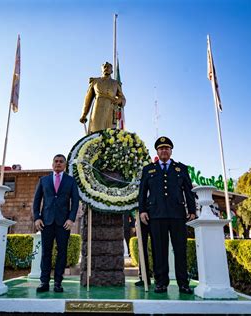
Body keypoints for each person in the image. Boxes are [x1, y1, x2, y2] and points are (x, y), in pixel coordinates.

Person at [138, 136, 196, 294]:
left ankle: (183, 283)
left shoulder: (181, 168)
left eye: (167, 148)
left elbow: (189, 191)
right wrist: (142, 210)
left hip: (177, 215)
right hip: (155, 215)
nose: (164, 151)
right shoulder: (148, 169)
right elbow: (142, 193)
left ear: (171, 151)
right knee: (159, 250)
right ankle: (161, 283)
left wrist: (192, 211)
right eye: (161, 148)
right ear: (157, 151)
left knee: (180, 249)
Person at [33, 154, 80, 293]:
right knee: (46, 253)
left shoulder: (71, 181)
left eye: (61, 162)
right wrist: (37, 217)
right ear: (52, 164)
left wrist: (71, 219)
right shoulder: (44, 180)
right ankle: (44, 282)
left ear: (65, 165)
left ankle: (58, 282)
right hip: (46, 222)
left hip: (63, 223)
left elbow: (75, 202)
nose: (58, 163)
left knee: (62, 253)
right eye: (56, 161)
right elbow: (36, 201)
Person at [80, 62, 126, 134]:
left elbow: (123, 99)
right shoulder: (95, 81)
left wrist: (119, 100)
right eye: (104, 67)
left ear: (112, 71)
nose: (106, 68)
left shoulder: (116, 83)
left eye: (108, 67)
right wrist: (84, 114)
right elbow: (88, 99)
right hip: (98, 108)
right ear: (101, 70)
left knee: (110, 134)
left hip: (111, 109)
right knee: (96, 131)